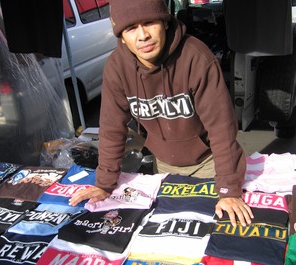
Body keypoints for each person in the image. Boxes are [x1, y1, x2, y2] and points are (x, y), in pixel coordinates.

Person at [69, 0, 254, 227]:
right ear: (121, 35)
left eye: (149, 23)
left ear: (165, 22)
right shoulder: (117, 67)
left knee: (211, 229)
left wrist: (228, 190)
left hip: (210, 164)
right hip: (164, 166)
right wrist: (104, 184)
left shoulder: (196, 57)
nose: (142, 35)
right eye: (131, 28)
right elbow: (111, 129)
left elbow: (222, 129)